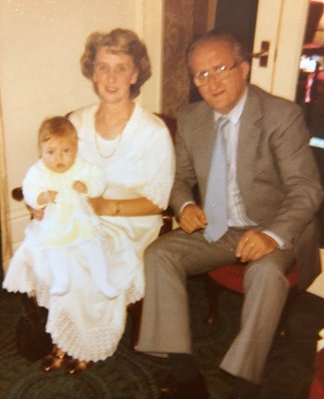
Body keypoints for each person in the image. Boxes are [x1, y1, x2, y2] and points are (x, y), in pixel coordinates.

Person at [136, 30, 323, 399]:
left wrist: (271, 236)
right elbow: (180, 178)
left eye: (219, 68)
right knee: (160, 254)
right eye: (200, 74)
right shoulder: (191, 118)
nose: (211, 81)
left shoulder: (279, 115)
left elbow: (307, 188)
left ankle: (245, 382)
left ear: (245, 69)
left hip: (277, 229)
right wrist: (185, 205)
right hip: (220, 228)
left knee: (266, 272)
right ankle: (186, 374)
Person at [5, 28, 175, 374]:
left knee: (85, 263)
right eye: (102, 66)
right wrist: (41, 202)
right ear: (91, 71)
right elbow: (53, 168)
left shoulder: (153, 132)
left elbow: (158, 202)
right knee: (46, 252)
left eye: (121, 67)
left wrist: (104, 208)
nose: (111, 77)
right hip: (78, 217)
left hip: (129, 223)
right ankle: (63, 336)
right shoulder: (76, 122)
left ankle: (83, 343)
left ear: (136, 73)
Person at [3, 116, 118, 298]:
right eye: (51, 152)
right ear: (40, 151)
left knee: (93, 247)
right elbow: (29, 190)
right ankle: (61, 280)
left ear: (75, 150)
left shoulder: (81, 167)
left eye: (66, 150)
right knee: (56, 250)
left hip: (80, 220)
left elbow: (99, 180)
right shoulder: (38, 171)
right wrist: (42, 197)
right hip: (53, 223)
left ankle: (102, 280)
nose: (59, 157)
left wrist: (87, 186)